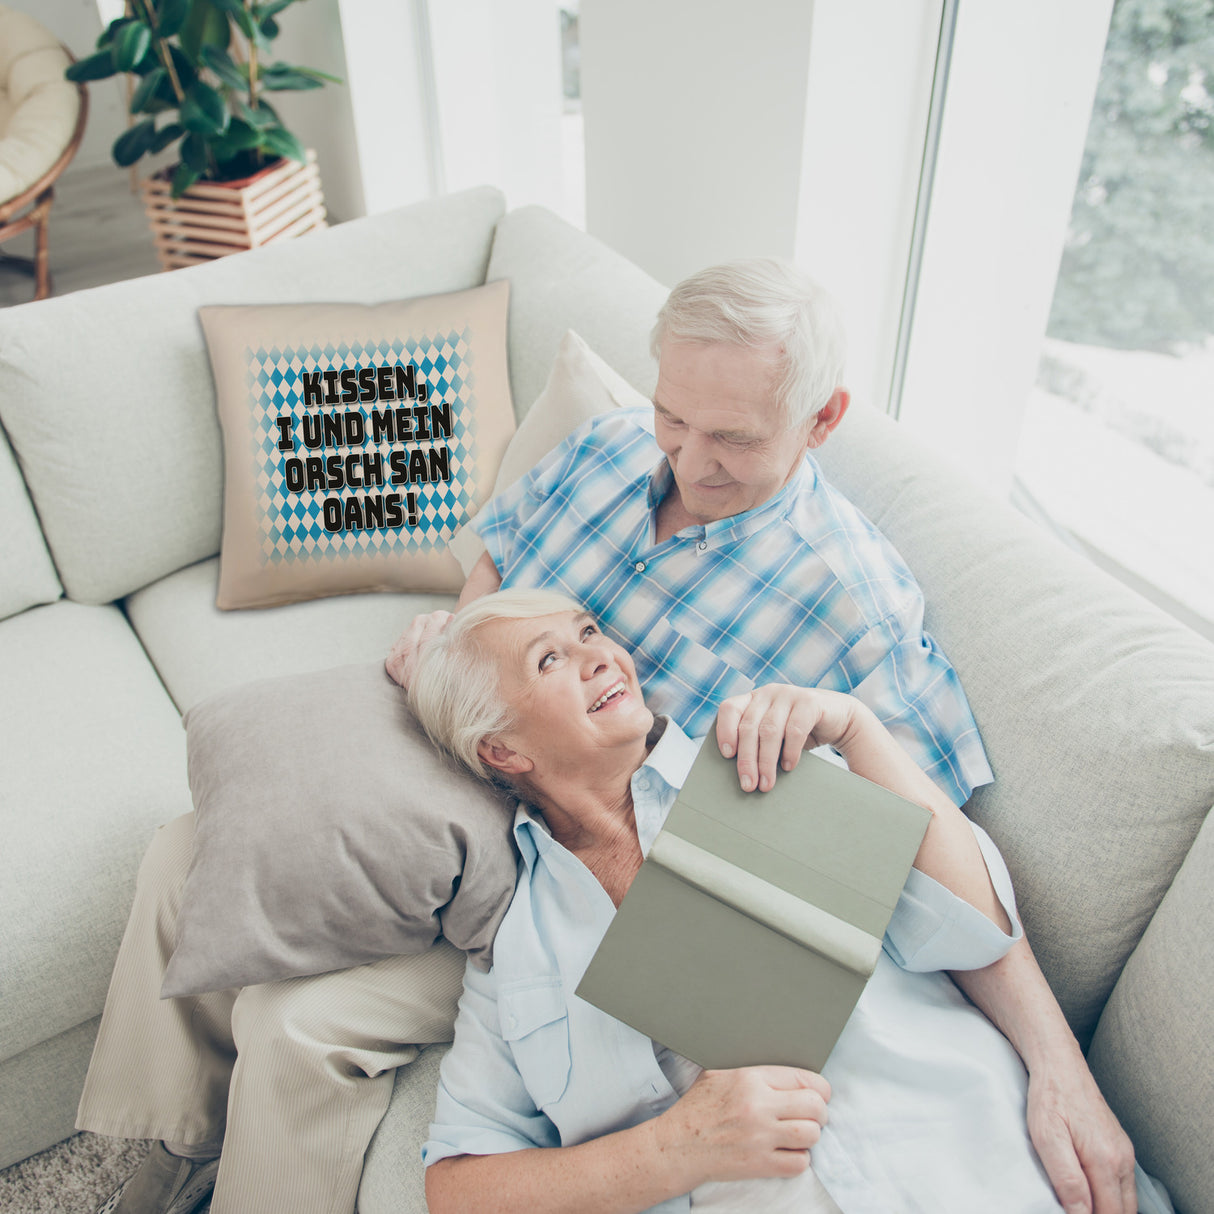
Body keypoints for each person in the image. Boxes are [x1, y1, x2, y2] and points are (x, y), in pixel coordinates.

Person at [79, 260, 1131, 1214]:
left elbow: (927, 855)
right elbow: (497, 562)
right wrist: (457, 641)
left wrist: (1057, 1063)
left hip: (579, 852)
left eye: (732, 438)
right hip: (488, 748)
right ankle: (159, 1150)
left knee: (300, 1024)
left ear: (820, 420)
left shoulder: (853, 607)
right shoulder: (608, 447)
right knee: (192, 847)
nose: (687, 457)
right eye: (674, 415)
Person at [407, 588, 1157, 1214]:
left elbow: (972, 929)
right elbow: (457, 1186)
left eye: (589, 632)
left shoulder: (761, 761)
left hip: (988, 1166)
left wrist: (858, 730)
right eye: (550, 659)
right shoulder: (516, 952)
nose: (601, 655)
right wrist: (672, 1150)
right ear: (502, 750)